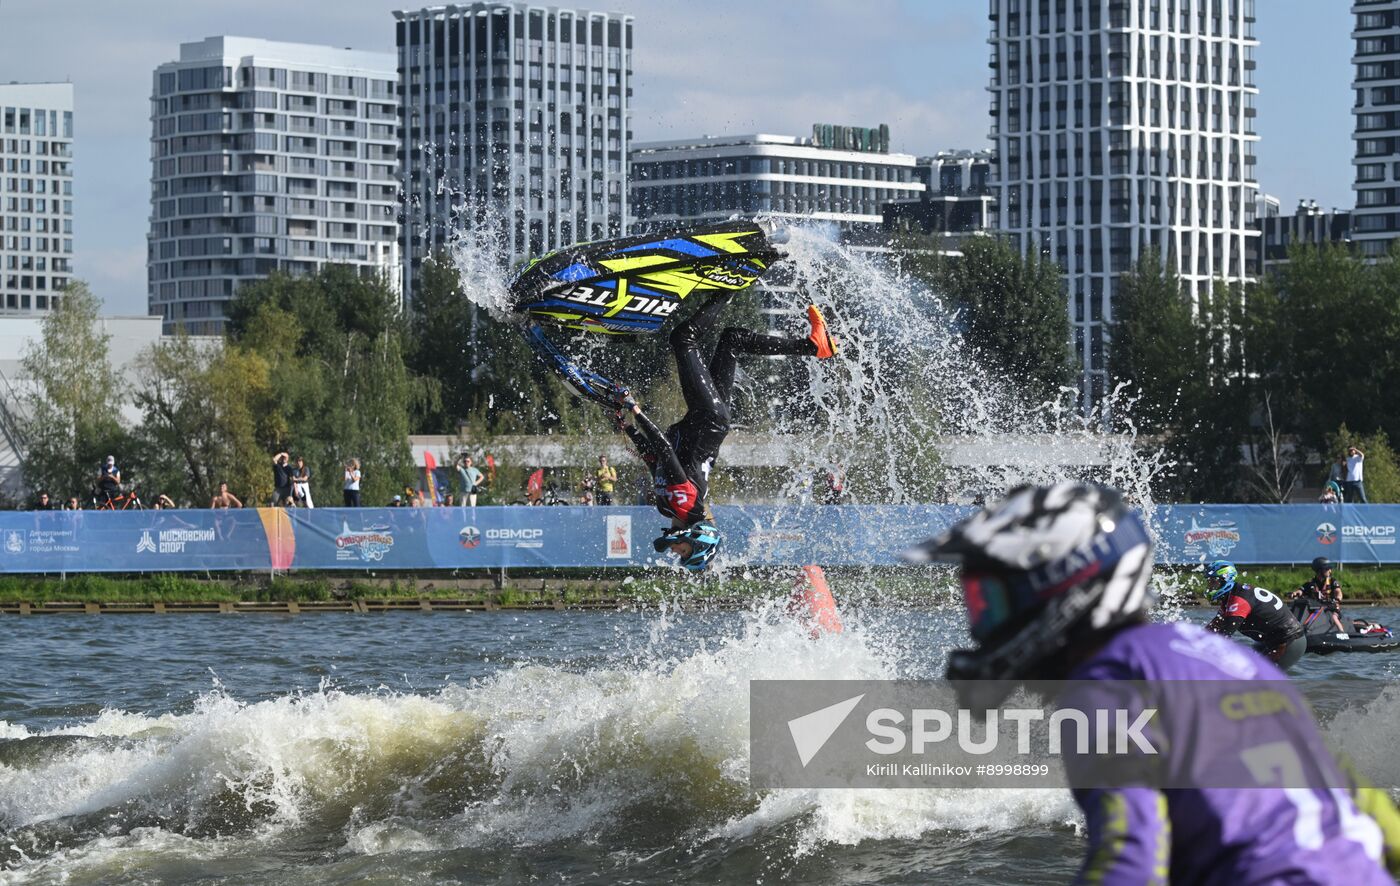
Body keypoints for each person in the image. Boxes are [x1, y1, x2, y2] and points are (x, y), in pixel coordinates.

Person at [905, 482, 1400, 884]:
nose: (980, 624)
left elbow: (1131, 859)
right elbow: (1363, 805)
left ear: (1062, 592)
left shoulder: (1103, 687)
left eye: (990, 602)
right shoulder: (1226, 660)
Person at [613, 294, 837, 571]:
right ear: (696, 541)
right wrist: (635, 409)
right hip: (708, 418)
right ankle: (728, 287)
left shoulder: (667, 508)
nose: (675, 551)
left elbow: (653, 460)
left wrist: (628, 428)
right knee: (683, 339)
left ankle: (812, 346)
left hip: (709, 420)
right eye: (683, 553)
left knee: (733, 340)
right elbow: (665, 450)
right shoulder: (686, 506)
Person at [1203, 560, 1308, 670]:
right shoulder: (1232, 596)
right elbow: (1213, 627)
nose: (1210, 586)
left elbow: (1223, 637)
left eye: (1213, 581)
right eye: (1209, 582)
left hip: (1289, 641)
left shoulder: (1239, 600)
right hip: (1269, 641)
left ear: (1225, 580)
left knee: (1255, 678)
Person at [1292, 555, 1347, 634]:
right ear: (1319, 571)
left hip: (1331, 608)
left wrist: (1337, 599)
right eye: (1327, 569)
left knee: (1334, 617)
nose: (1330, 571)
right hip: (1316, 609)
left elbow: (1338, 592)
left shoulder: (1332, 581)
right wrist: (1295, 593)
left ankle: (1342, 634)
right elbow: (1300, 590)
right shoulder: (1310, 583)